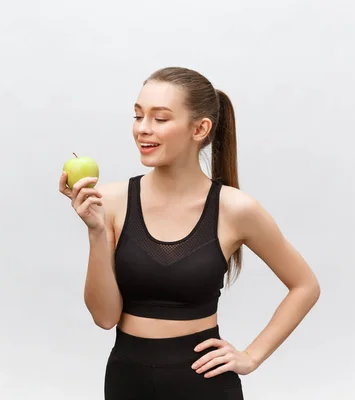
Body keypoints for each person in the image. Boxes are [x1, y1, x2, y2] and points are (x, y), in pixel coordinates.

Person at [59, 66, 321, 399]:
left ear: (200, 128)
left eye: (160, 118)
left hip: (203, 385)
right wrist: (96, 232)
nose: (142, 129)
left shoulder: (236, 209)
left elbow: (305, 286)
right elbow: (105, 317)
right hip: (127, 381)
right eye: (138, 116)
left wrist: (251, 356)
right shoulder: (110, 201)